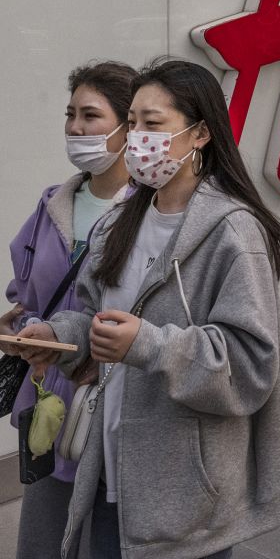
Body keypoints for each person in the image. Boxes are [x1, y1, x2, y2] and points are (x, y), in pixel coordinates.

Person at [16, 59, 280, 559]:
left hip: (184, 492)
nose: (138, 138)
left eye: (153, 123)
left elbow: (253, 365)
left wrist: (148, 344)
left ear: (201, 133)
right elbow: (94, 315)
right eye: (134, 123)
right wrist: (58, 338)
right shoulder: (120, 221)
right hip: (106, 466)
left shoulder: (234, 232)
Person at [2, 61, 137, 559]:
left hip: (113, 398)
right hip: (48, 397)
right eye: (70, 114)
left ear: (128, 128)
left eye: (91, 116)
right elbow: (27, 289)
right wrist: (19, 323)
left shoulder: (149, 212)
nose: (76, 128)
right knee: (43, 534)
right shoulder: (53, 203)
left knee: (104, 535)